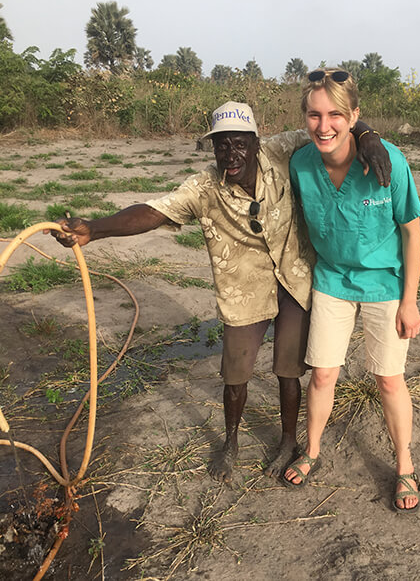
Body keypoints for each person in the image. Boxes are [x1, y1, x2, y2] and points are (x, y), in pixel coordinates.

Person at [49, 100, 391, 484]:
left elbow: (330, 129)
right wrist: (95, 229)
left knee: (288, 371)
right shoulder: (204, 187)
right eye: (221, 146)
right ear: (213, 149)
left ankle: (288, 441)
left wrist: (368, 135)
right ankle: (229, 442)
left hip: (295, 281)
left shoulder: (280, 150)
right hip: (243, 291)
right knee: (236, 375)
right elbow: (153, 211)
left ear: (256, 141)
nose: (231, 154)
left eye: (239, 144)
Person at [285, 70, 420, 512]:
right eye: (314, 115)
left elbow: (412, 233)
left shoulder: (387, 161)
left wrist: (410, 300)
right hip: (332, 280)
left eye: (336, 115)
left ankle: (404, 465)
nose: (323, 126)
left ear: (354, 115)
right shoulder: (300, 163)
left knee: (388, 379)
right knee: (323, 373)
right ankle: (312, 450)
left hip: (385, 283)